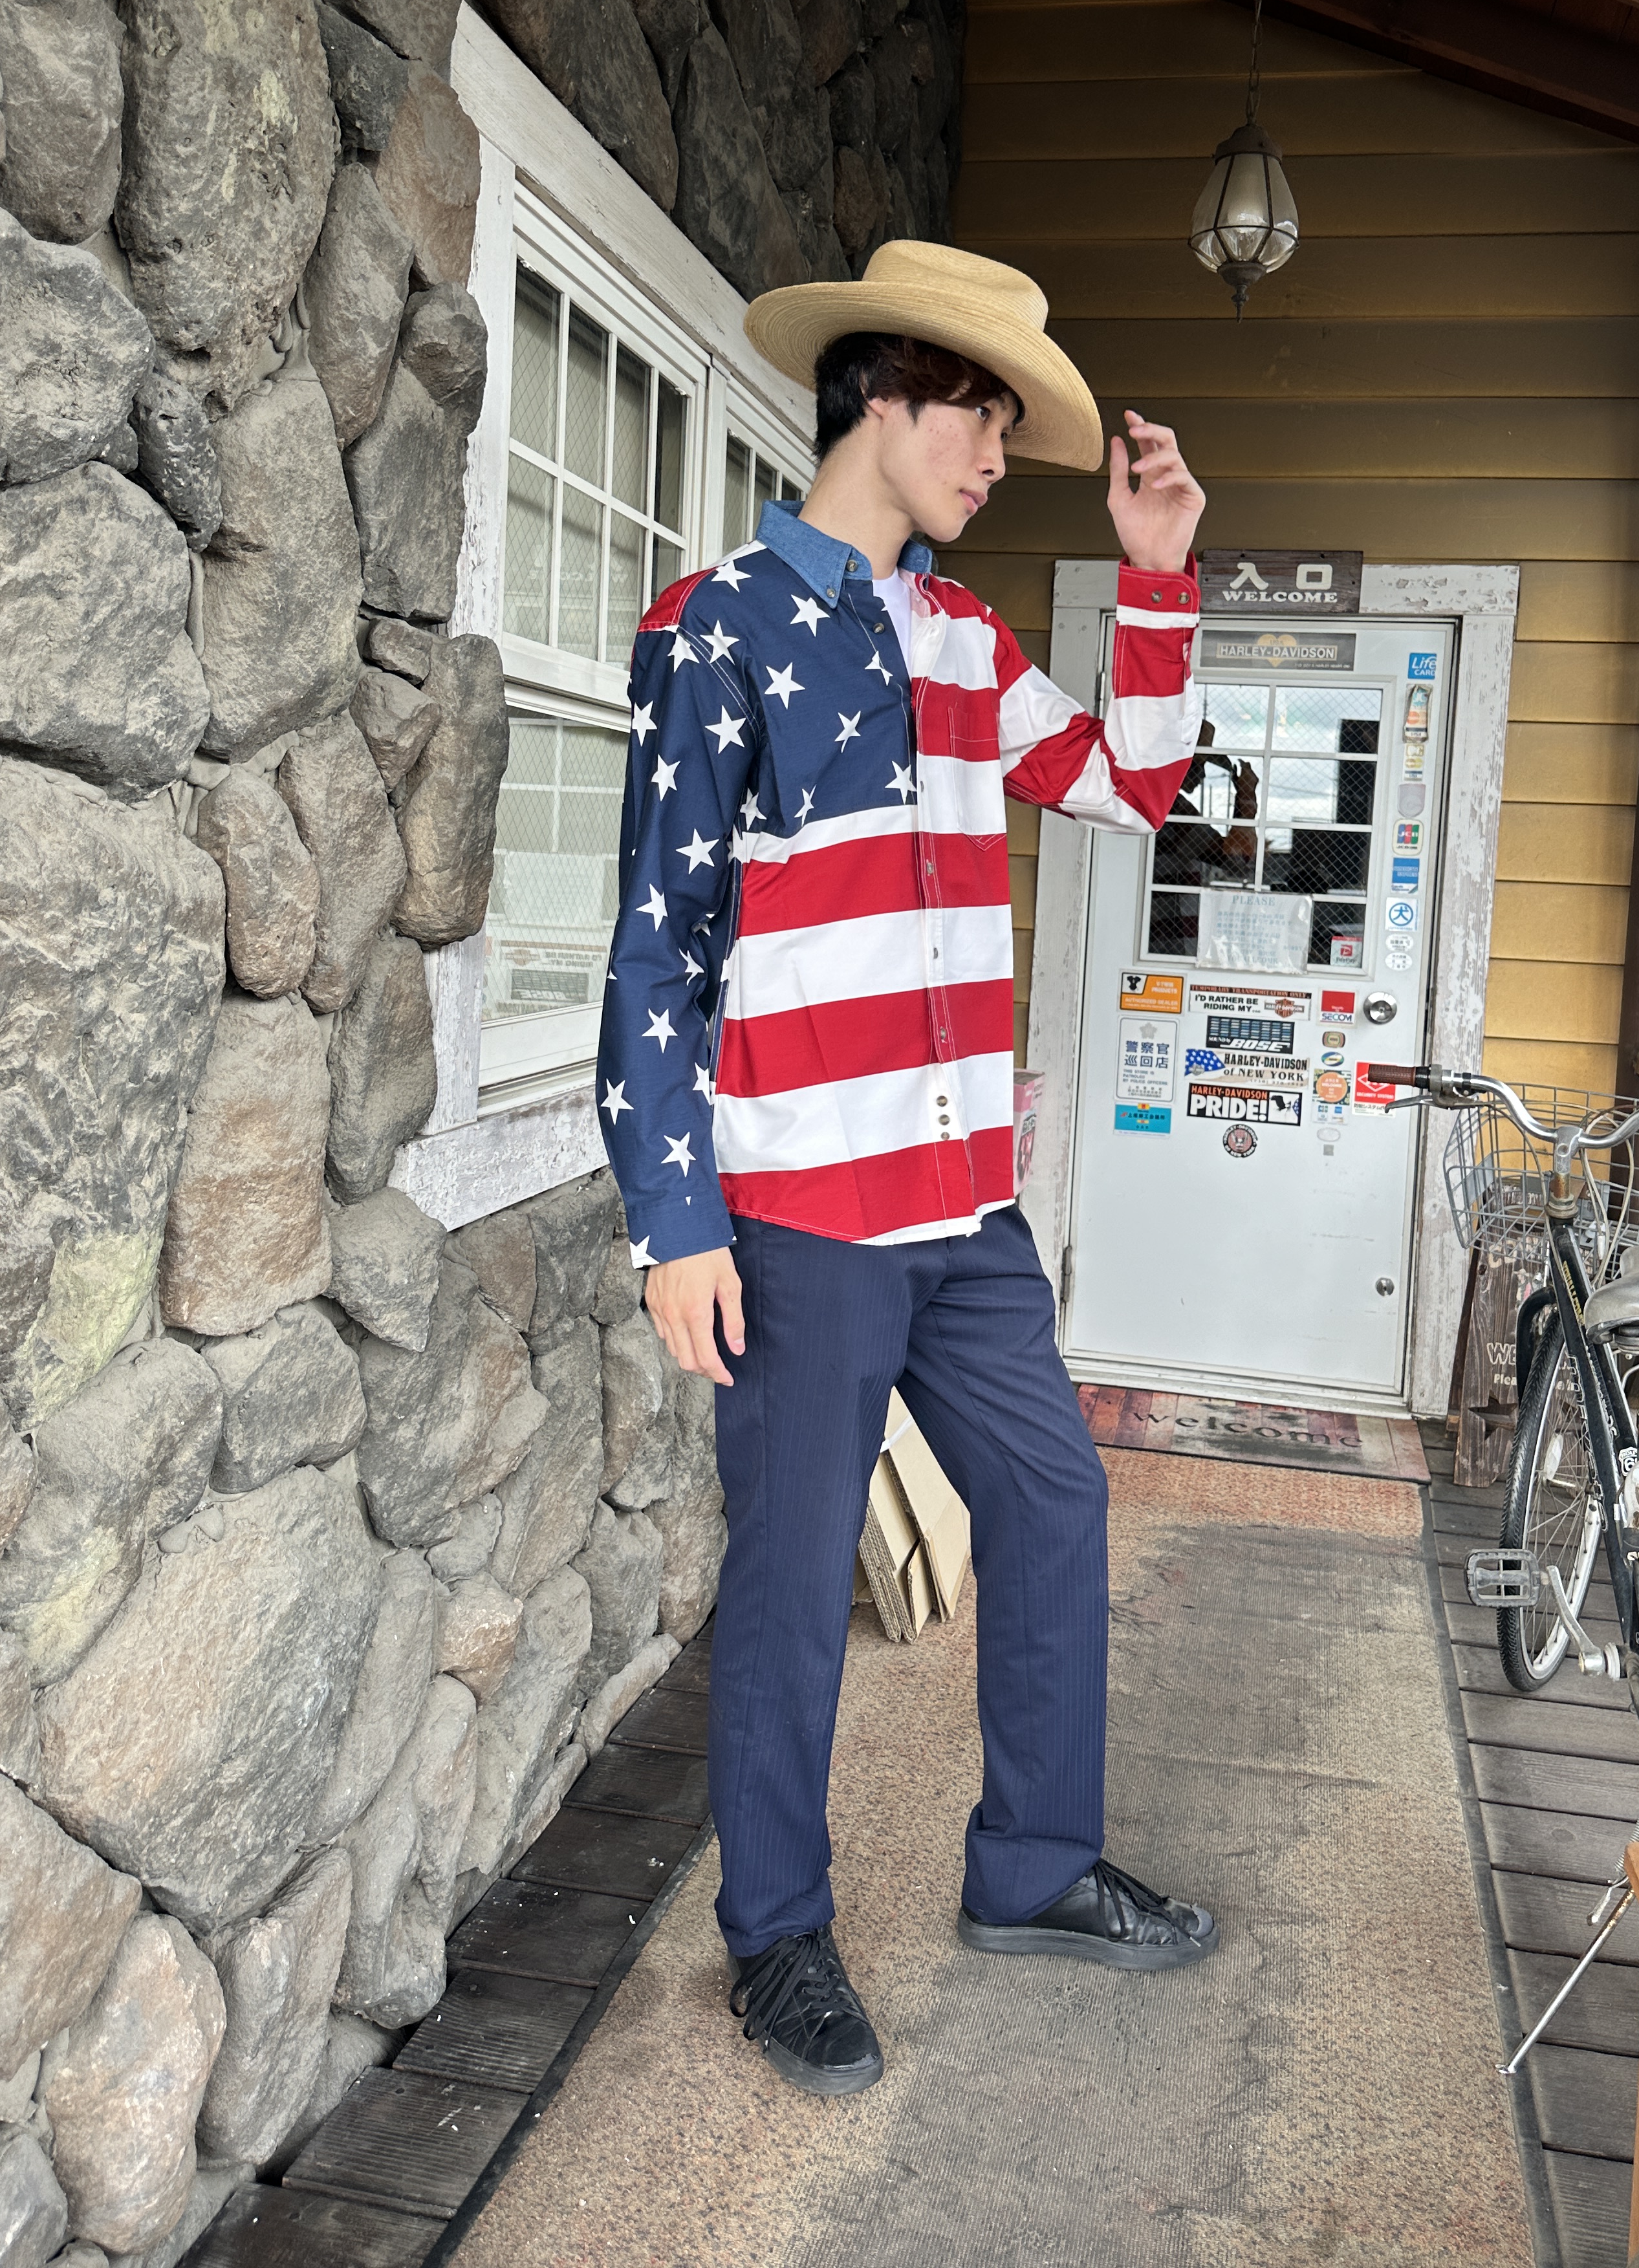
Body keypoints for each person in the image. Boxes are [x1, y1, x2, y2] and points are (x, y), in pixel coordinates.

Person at [596, 239, 1213, 2100]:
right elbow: (655, 948)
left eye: (1013, 425)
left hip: (965, 1208)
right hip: (798, 1214)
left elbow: (1133, 786)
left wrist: (1160, 578)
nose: (1003, 455)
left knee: (1056, 1500)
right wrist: (674, 1222)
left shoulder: (968, 644)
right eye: (981, 415)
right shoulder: (715, 626)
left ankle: (1031, 1869)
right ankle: (775, 1936)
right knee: (794, 1585)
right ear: (883, 393)